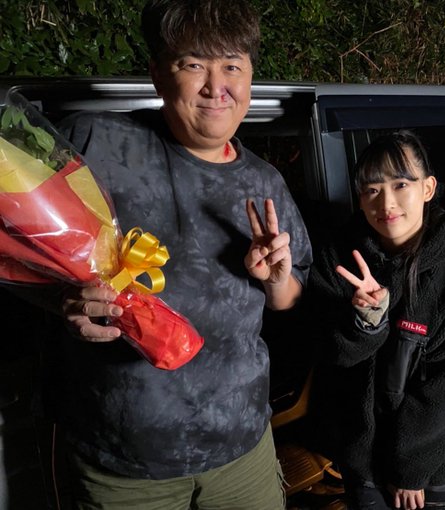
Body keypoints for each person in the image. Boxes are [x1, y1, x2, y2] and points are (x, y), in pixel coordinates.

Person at [33, 0, 312, 508]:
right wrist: (62, 301)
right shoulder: (96, 144)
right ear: (159, 74)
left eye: (232, 66)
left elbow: (291, 299)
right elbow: (21, 255)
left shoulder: (265, 181)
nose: (216, 86)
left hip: (243, 448)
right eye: (194, 64)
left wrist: (277, 281)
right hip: (124, 465)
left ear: (250, 76)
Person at [308, 131, 445, 510]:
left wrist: (411, 468)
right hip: (362, 456)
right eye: (371, 190)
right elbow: (329, 353)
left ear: (428, 188)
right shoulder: (338, 260)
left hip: (431, 461)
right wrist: (367, 322)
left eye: (401, 184)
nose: (386, 203)